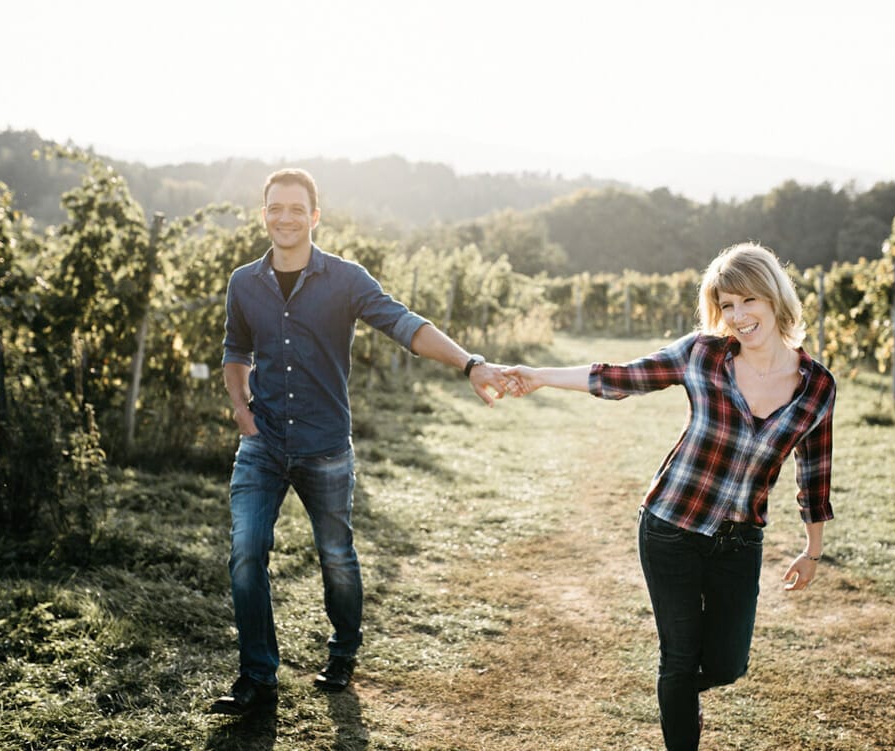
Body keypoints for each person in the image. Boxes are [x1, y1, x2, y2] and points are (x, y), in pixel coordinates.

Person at [504, 243, 836, 750]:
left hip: (739, 539)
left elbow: (813, 475)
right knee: (678, 658)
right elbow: (621, 378)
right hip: (670, 525)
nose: (739, 316)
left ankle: (678, 694)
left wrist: (812, 550)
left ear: (774, 297)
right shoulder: (703, 353)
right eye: (727, 305)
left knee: (728, 663)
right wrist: (539, 376)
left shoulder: (816, 388)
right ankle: (680, 713)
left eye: (749, 301)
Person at [212, 168, 509, 715]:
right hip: (264, 444)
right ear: (264, 215)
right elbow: (236, 350)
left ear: (315, 216)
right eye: (275, 207)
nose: (285, 217)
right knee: (246, 556)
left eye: (296, 209)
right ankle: (258, 677)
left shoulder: (346, 279)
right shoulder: (242, 282)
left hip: (325, 448)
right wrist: (240, 408)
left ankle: (343, 651)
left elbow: (404, 325)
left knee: (336, 557)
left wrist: (469, 362)